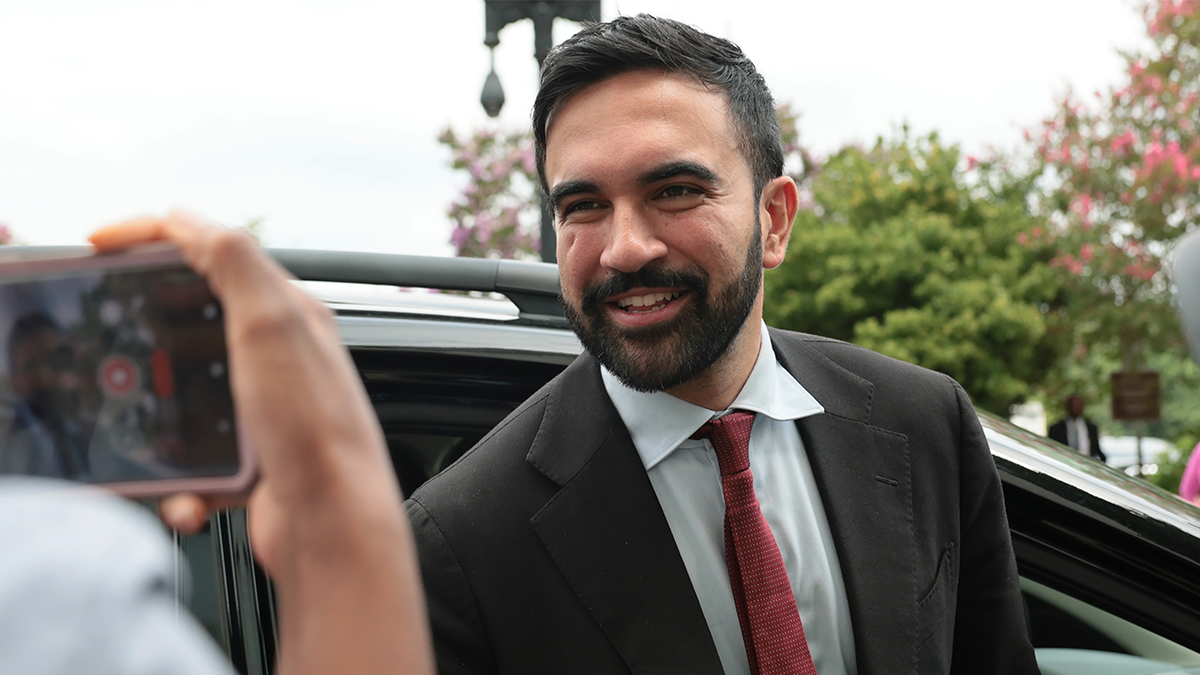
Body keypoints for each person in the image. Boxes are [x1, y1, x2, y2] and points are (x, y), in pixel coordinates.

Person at [406, 14, 1038, 675]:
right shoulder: (462, 540)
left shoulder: (925, 424)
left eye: (674, 191)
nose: (625, 248)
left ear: (774, 220)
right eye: (584, 206)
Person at [0, 212, 434, 675]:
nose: (55, 378)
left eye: (61, 358)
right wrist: (330, 516)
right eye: (35, 363)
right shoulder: (68, 588)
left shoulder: (114, 460)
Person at [0, 312, 91, 478]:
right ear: (15, 381)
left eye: (55, 360)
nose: (46, 375)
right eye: (32, 366)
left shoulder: (91, 433)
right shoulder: (8, 454)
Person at [1048, 394, 1106, 463]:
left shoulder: (1091, 428)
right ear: (1068, 407)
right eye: (1073, 405)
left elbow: (1096, 450)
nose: (1075, 407)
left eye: (1078, 404)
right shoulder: (1056, 429)